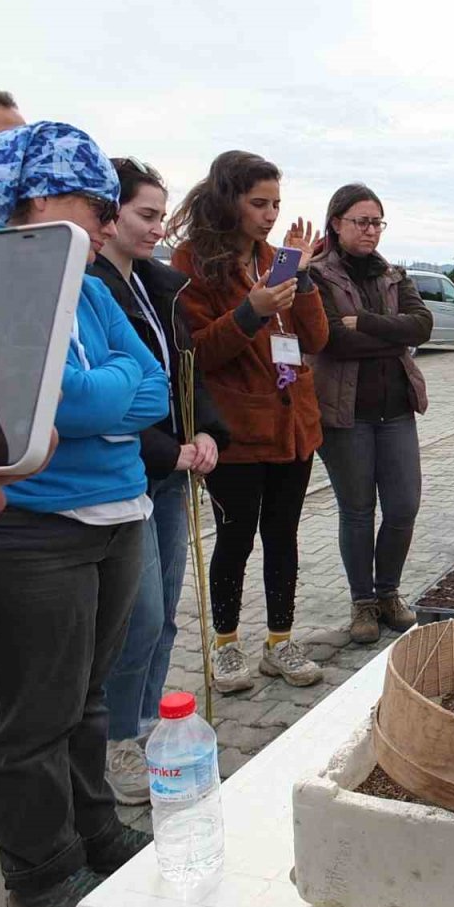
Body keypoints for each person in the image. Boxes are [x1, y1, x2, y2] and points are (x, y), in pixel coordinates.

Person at [0, 122, 169, 907]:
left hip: (118, 511)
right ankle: (41, 872)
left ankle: (95, 833)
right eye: (93, 202)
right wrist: (104, 390)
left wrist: (101, 389)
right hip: (39, 528)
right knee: (37, 713)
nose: (105, 221)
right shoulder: (6, 280)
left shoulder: (92, 287)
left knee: (92, 698)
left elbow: (151, 390)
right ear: (34, 194)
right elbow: (76, 399)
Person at [89, 158, 230, 803]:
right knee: (135, 614)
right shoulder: (88, 286)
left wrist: (205, 432)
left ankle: (148, 727)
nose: (156, 228)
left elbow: (185, 372)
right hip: (129, 474)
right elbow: (108, 396)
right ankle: (116, 738)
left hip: (174, 471)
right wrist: (165, 449)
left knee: (166, 609)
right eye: (146, 215)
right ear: (108, 213)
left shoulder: (160, 285)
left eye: (159, 216)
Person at [167, 150, 329, 693]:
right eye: (258, 203)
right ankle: (226, 646)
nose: (270, 214)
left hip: (293, 425)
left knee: (283, 535)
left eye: (276, 203)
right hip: (237, 433)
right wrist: (250, 310)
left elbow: (316, 339)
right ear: (227, 200)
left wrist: (301, 279)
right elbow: (196, 352)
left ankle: (280, 642)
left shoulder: (276, 258)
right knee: (234, 540)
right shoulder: (192, 263)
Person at [309, 184, 433, 644]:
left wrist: (366, 324)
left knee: (403, 507)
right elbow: (329, 339)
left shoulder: (395, 274)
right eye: (361, 221)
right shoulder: (317, 275)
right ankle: (363, 601)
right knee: (358, 510)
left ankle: (389, 592)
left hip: (397, 409)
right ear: (336, 223)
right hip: (346, 414)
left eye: (377, 221)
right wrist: (391, 335)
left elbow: (421, 326)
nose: (370, 230)